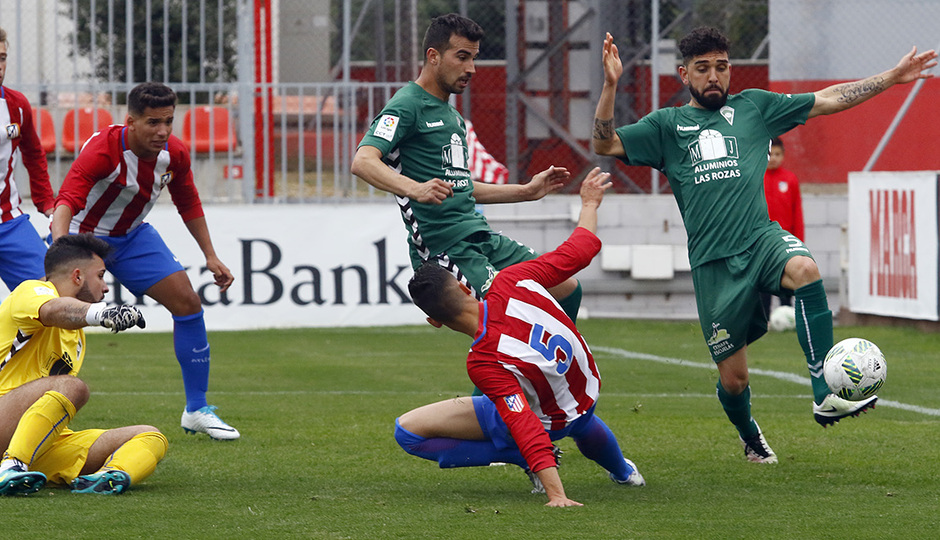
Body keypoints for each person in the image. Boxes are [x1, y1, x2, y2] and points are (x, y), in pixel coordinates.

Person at [592, 27, 936, 462]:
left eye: (721, 67)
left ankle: (824, 390)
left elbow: (829, 99)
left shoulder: (754, 107)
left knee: (806, 271)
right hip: (714, 264)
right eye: (702, 69)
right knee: (734, 381)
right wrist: (610, 84)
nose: (714, 76)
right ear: (684, 74)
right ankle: (750, 435)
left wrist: (891, 77)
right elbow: (604, 142)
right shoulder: (667, 126)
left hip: (760, 239)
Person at [395, 168, 645, 507]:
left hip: (549, 422)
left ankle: (518, 458)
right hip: (585, 390)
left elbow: (522, 422)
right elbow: (579, 251)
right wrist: (589, 203)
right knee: (582, 422)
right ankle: (624, 472)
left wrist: (558, 495)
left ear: (434, 321)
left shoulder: (482, 359)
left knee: (407, 432)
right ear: (467, 286)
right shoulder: (513, 278)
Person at [351, 13, 583, 326]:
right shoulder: (406, 105)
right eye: (462, 57)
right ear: (433, 56)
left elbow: (461, 185)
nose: (471, 68)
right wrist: (413, 187)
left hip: (479, 236)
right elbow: (363, 161)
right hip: (445, 246)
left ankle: (550, 371)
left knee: (567, 289)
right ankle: (524, 369)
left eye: (473, 58)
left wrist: (525, 191)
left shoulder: (453, 116)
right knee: (508, 320)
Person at [50, 82, 239, 440]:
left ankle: (197, 409)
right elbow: (67, 200)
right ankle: (34, 407)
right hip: (83, 236)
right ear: (130, 121)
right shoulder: (103, 150)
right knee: (60, 320)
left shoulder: (175, 154)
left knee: (188, 303)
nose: (163, 131)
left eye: (168, 121)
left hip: (134, 236)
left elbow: (189, 202)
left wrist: (210, 256)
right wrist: (61, 247)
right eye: (153, 122)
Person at [0, 234, 166, 496]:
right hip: (4, 416)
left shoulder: (77, 336)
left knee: (150, 436)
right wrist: (103, 314)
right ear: (77, 276)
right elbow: (54, 310)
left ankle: (107, 478)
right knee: (73, 387)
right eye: (100, 275)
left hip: (34, 441)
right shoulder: (32, 290)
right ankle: (11, 466)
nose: (106, 287)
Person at [0, 27, 56, 292]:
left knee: (50, 294)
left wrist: (46, 201)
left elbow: (34, 155)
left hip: (9, 222)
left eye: (2, 58)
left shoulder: (17, 105)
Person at [761, 137, 804, 317]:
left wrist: (799, 242)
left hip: (785, 241)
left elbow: (797, 213)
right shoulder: (757, 177)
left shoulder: (790, 179)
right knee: (763, 281)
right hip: (762, 240)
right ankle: (765, 319)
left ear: (783, 156)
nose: (773, 158)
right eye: (770, 154)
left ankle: (787, 316)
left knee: (786, 279)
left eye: (777, 154)